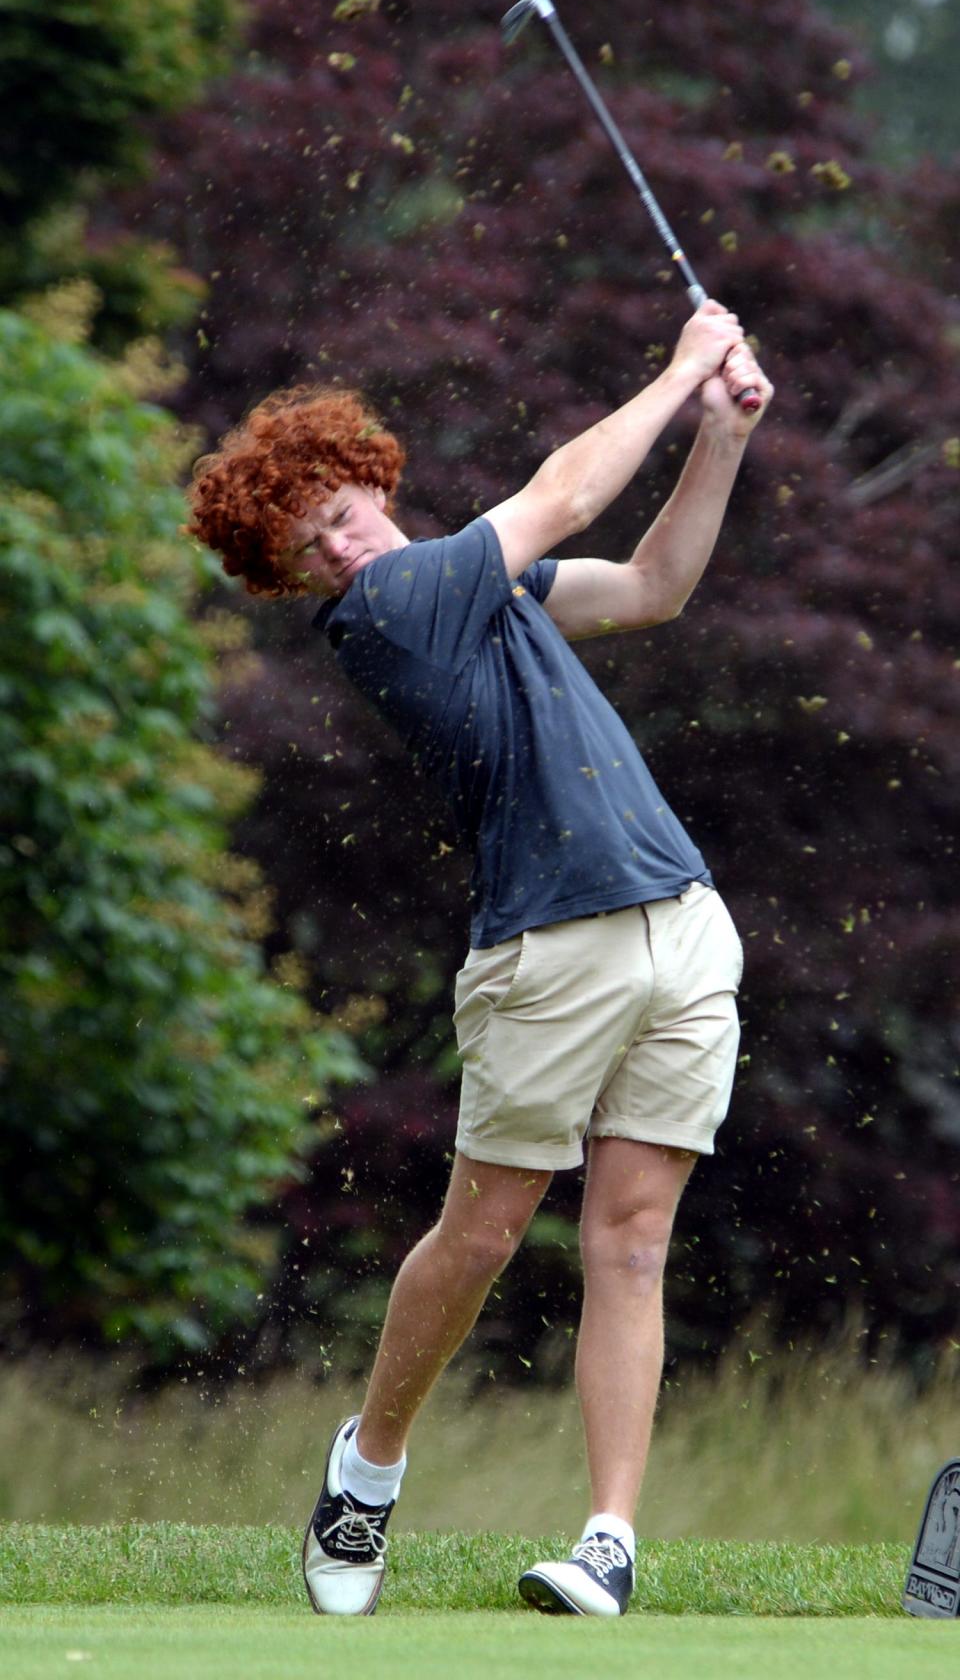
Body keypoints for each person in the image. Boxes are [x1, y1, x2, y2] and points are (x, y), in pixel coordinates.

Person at [184, 300, 772, 1618]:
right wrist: (682, 368)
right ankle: (370, 1468)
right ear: (298, 577)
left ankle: (609, 1541)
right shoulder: (390, 606)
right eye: (314, 542)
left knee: (631, 1241)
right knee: (487, 1232)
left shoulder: (473, 575)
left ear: (373, 481)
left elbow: (656, 587)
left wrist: (721, 436)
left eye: (347, 507)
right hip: (546, 954)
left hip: (679, 924)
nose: (350, 540)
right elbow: (564, 494)